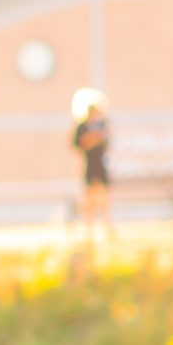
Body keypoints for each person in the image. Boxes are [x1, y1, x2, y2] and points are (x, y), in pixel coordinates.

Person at [71, 89, 112, 237]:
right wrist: (93, 139)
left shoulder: (102, 125)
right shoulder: (82, 127)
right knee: (89, 197)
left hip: (101, 164)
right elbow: (78, 144)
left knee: (104, 197)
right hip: (89, 164)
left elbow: (106, 142)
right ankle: (88, 226)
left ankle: (107, 225)